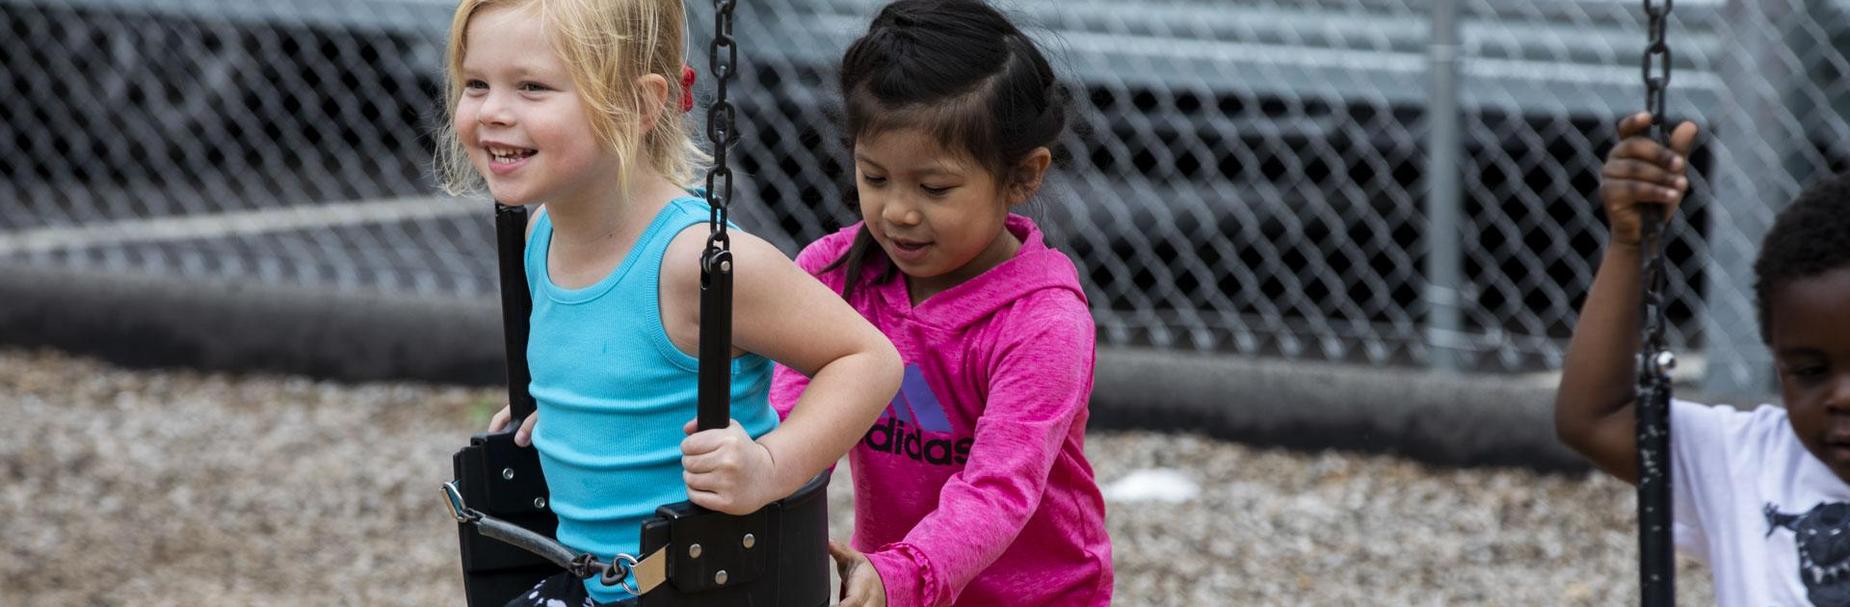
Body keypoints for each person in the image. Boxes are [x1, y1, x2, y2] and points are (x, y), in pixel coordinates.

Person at [435, 1, 904, 605]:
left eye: (532, 87)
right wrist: (559, 411)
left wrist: (768, 467)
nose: (493, 111)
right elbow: (613, 366)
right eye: (477, 83)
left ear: (639, 104)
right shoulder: (542, 232)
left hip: (701, 586)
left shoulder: (693, 260)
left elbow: (869, 360)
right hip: (591, 580)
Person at [768, 2, 1112, 605]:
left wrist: (901, 573)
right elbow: (790, 433)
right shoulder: (833, 276)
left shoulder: (1042, 323)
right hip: (894, 580)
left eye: (934, 188)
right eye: (875, 178)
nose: (898, 212)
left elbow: (997, 490)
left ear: (1023, 175)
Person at [1556, 112, 1850, 606]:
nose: (1843, 396)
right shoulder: (1747, 463)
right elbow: (1595, 418)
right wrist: (1630, 246)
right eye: (1810, 371)